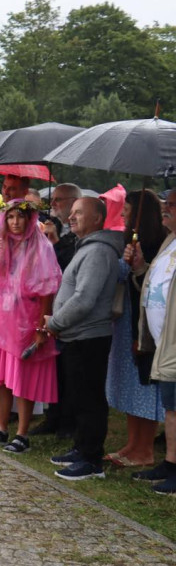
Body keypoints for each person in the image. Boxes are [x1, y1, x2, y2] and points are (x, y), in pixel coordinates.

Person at [0, 199, 61, 454]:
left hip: (28, 320)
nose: (15, 223)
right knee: (0, 378)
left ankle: (22, 433)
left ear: (30, 218)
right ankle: (1, 428)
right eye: (10, 217)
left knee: (23, 379)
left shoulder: (40, 246)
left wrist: (41, 327)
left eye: (20, 217)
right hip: (0, 320)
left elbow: (48, 290)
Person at [45, 197, 122, 480]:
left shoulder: (99, 251)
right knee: (79, 395)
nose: (72, 217)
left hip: (89, 336)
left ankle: (91, 460)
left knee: (90, 398)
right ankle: (81, 447)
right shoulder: (87, 247)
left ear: (98, 219)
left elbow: (84, 299)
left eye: (79, 213)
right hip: (75, 335)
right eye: (72, 212)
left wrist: (55, 321)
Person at [107, 190, 167, 466]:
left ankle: (144, 448)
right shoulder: (128, 241)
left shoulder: (158, 244)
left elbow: (154, 287)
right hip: (126, 322)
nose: (123, 215)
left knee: (143, 385)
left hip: (143, 325)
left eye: (128, 211)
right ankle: (132, 444)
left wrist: (140, 266)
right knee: (129, 384)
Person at [131, 189, 176, 494]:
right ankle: (171, 462)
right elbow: (155, 281)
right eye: (164, 204)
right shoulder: (169, 240)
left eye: (171, 205)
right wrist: (139, 267)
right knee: (171, 405)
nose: (165, 209)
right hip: (161, 341)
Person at [30, 182, 83, 438]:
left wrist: (56, 242)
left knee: (71, 373)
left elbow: (68, 269)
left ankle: (68, 421)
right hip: (55, 307)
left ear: (75, 202)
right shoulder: (63, 233)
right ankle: (54, 416)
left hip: (72, 311)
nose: (54, 205)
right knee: (57, 369)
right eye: (53, 200)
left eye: (59, 200)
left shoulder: (77, 237)